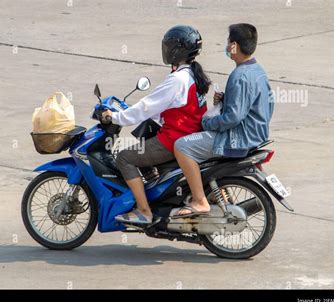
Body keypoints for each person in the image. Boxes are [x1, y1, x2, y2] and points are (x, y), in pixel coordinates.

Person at [101, 25, 211, 225]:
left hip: (174, 138)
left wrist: (115, 117)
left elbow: (146, 106)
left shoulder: (177, 79)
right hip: (190, 133)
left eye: (168, 46)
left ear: (178, 49)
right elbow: (166, 107)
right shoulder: (194, 75)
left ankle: (144, 211)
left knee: (125, 158)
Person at [172, 23, 274, 217]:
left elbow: (233, 117)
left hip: (238, 138)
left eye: (228, 42)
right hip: (256, 133)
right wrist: (227, 99)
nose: (226, 46)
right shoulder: (257, 70)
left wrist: (207, 123)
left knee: (182, 146)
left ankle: (199, 200)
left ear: (234, 46)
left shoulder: (239, 76)